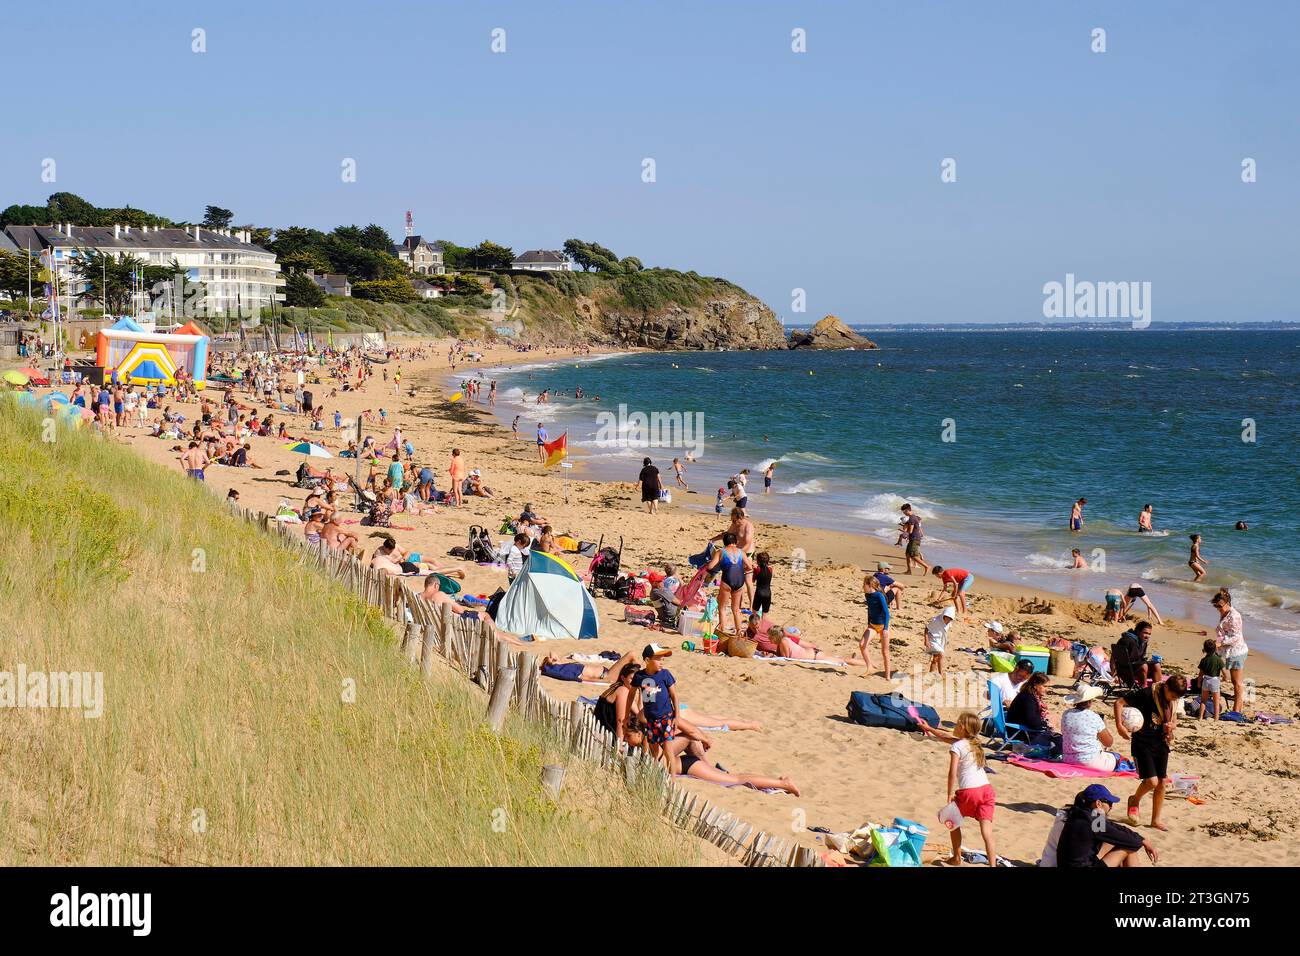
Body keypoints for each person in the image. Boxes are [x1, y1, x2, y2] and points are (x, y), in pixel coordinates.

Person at [917, 712, 996, 867]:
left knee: (952, 820)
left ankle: (957, 858)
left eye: (958, 722)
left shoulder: (957, 746)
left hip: (969, 792)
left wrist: (949, 793)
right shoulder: (974, 744)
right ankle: (993, 865)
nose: (955, 724)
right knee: (987, 834)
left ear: (963, 728)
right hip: (986, 791)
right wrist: (929, 728)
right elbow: (944, 737)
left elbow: (952, 772)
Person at [1116, 674, 1188, 831]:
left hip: (1161, 742)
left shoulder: (1173, 701)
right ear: (1166, 687)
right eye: (1173, 695)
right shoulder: (1147, 694)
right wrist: (1120, 726)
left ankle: (1155, 820)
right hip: (1142, 742)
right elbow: (1119, 703)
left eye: (1177, 697)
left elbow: (1173, 717)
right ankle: (1134, 800)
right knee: (1152, 782)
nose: (1173, 699)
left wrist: (1172, 726)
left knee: (1162, 782)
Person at [1055, 785, 1158, 868]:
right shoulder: (1094, 823)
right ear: (1098, 803)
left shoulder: (1080, 814)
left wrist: (1143, 839)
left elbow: (1114, 827)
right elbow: (1133, 842)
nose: (1111, 807)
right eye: (1109, 803)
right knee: (1129, 847)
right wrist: (1142, 841)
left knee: (1118, 842)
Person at [634, 644, 680, 774]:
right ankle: (656, 778)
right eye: (658, 659)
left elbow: (674, 696)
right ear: (647, 660)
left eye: (663, 659)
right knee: (654, 751)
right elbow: (631, 694)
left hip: (666, 717)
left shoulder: (665, 674)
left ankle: (672, 784)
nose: (662, 662)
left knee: (668, 751)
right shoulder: (639, 677)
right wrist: (626, 715)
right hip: (650, 719)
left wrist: (677, 716)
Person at [704, 532, 752, 638]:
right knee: (736, 609)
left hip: (727, 580)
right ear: (735, 541)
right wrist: (740, 569)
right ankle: (739, 631)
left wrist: (706, 565)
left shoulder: (721, 551)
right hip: (740, 580)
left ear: (724, 542)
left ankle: (722, 631)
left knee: (722, 607)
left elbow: (711, 567)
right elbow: (749, 567)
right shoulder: (741, 552)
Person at [1061, 686, 1118, 771]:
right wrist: (1103, 726)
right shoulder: (1093, 716)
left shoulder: (1066, 714)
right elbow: (1108, 743)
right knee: (1116, 757)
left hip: (1068, 759)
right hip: (1090, 761)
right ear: (1089, 702)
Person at [1212, 589, 1248, 715]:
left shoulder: (1234, 616)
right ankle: (1238, 707)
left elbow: (1236, 637)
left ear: (1227, 603)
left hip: (1237, 652)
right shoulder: (1225, 613)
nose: (1218, 608)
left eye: (1220, 606)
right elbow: (1225, 633)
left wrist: (1220, 643)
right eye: (1216, 606)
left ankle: (1237, 710)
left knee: (1237, 682)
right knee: (1234, 681)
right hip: (1229, 651)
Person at [1007, 672, 1059, 750]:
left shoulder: (1028, 694)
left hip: (1018, 729)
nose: (1046, 689)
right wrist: (1046, 724)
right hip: (1020, 733)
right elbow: (1032, 722)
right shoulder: (1028, 698)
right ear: (1035, 685)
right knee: (1057, 742)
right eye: (1044, 686)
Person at [860, 574, 892, 679]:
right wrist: (869, 623)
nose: (863, 586)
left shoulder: (879, 595)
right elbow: (870, 610)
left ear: (870, 585)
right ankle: (869, 667)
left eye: (864, 584)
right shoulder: (867, 595)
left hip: (883, 626)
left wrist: (886, 629)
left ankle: (887, 676)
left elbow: (887, 613)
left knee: (885, 651)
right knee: (862, 645)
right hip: (873, 626)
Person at [539, 650, 637, 684]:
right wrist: (605, 681)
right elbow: (586, 679)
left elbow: (552, 652)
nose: (554, 658)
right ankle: (642, 675)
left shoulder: (563, 665)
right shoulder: (567, 671)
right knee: (631, 654)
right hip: (607, 676)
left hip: (607, 673)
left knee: (631, 660)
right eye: (552, 660)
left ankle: (640, 675)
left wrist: (553, 660)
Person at [1113, 620, 1162, 686]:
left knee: (1156, 664)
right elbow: (1114, 656)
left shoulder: (1143, 641)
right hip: (1126, 670)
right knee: (1144, 666)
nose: (1147, 636)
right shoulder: (1126, 641)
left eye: (1149, 634)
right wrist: (1114, 673)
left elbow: (1141, 657)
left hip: (1136, 667)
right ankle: (1143, 689)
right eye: (1145, 633)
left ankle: (1159, 689)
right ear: (1138, 631)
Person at [1196, 638, 1224, 720]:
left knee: (1203, 700)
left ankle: (1200, 717)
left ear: (1205, 649)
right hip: (1215, 680)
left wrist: (1198, 682)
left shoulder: (1204, 660)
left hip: (1206, 680)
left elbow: (1200, 674)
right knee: (1216, 701)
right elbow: (1224, 672)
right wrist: (1225, 678)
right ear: (1215, 648)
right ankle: (1216, 718)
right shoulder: (1218, 660)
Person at [924, 605, 955, 674]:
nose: (949, 620)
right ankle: (941, 674)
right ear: (944, 615)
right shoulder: (936, 620)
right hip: (932, 640)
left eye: (950, 618)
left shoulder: (949, 622)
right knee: (941, 654)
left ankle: (931, 673)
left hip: (941, 641)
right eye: (948, 617)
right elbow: (926, 628)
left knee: (935, 658)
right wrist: (926, 640)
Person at [900, 503, 929, 575]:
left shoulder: (912, 518)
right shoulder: (912, 517)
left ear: (907, 510)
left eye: (904, 512)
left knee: (913, 556)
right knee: (907, 555)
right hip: (913, 538)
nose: (904, 513)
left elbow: (911, 530)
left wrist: (905, 534)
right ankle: (909, 571)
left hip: (915, 539)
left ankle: (926, 566)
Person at [751, 551, 773, 617]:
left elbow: (753, 580)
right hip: (768, 593)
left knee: (754, 612)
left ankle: (753, 626)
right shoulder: (770, 569)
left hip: (759, 593)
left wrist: (754, 570)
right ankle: (763, 626)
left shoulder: (757, 570)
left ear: (758, 561)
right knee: (765, 614)